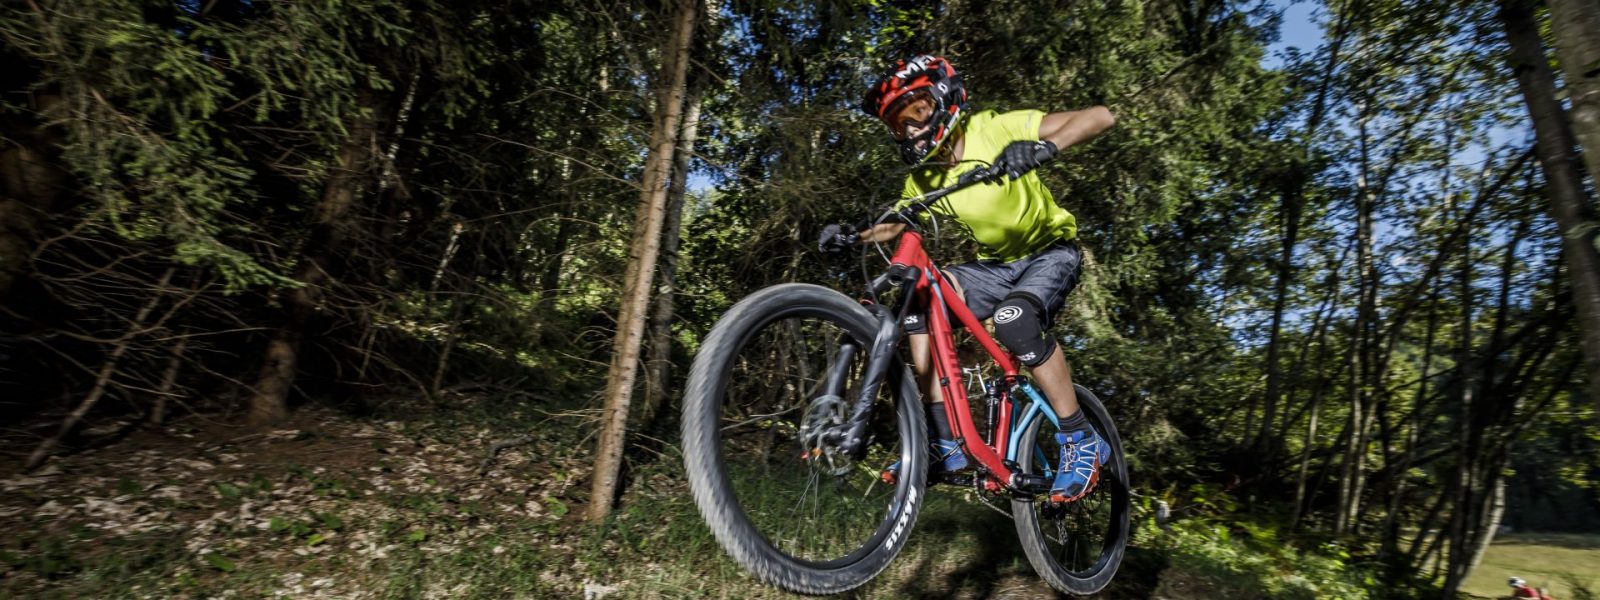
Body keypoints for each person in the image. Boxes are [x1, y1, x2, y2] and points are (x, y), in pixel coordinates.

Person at [819, 55, 1116, 503]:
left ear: (944, 100)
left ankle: (1080, 438)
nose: (911, 130)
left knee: (1015, 321)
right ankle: (945, 443)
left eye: (917, 112)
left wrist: (1040, 148)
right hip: (995, 267)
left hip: (1050, 253)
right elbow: (896, 221)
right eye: (900, 124)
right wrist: (852, 235)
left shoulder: (993, 129)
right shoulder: (925, 177)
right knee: (920, 299)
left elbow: (1100, 116)